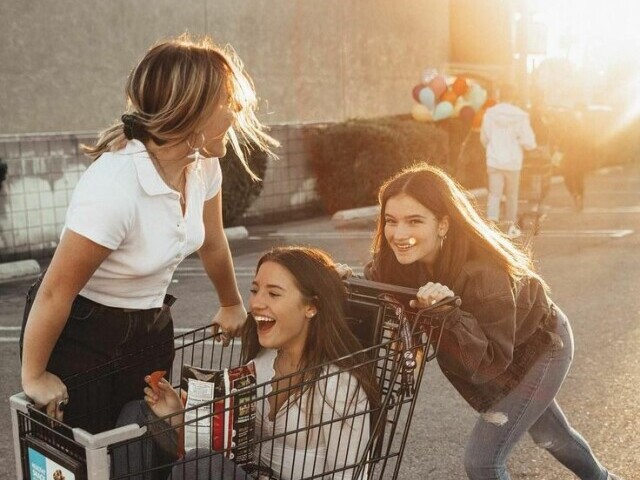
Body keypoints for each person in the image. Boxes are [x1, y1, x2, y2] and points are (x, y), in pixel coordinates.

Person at [19, 33, 278, 433]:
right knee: (87, 452)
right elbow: (56, 290)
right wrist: (34, 375)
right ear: (190, 112)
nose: (237, 110)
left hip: (151, 324)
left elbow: (212, 240)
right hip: (84, 332)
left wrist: (231, 303)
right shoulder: (116, 185)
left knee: (145, 442)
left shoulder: (203, 165)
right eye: (227, 101)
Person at [360, 163, 622, 480]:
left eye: (414, 221)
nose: (399, 234)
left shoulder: (484, 274)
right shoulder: (398, 260)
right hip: (502, 347)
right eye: (391, 221)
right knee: (552, 435)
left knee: (483, 462)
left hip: (541, 346)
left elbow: (490, 363)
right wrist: (330, 278)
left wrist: (449, 313)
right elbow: (375, 279)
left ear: (443, 224)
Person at [113, 246, 379, 480]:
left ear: (311, 307)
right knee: (137, 415)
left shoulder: (338, 386)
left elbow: (350, 474)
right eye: (254, 290)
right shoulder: (263, 362)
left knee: (201, 466)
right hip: (248, 469)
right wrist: (180, 417)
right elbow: (233, 442)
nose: (256, 303)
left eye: (273, 294)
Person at [481, 84, 537, 238]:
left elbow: (484, 138)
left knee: (494, 194)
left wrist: (491, 147)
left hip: (494, 160)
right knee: (512, 195)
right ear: (513, 97)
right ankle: (509, 227)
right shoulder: (521, 116)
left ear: (499, 95)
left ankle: (491, 225)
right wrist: (525, 145)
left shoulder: (489, 114)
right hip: (513, 162)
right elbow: (529, 142)